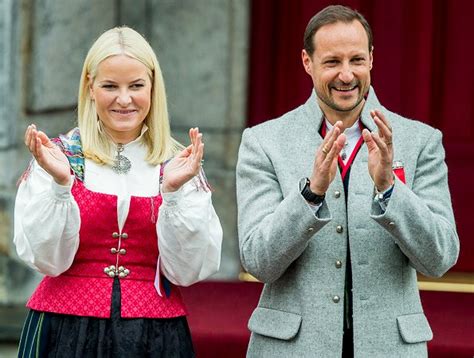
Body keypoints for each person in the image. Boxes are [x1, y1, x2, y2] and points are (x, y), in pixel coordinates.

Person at [236, 5, 459, 357]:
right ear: (307, 63)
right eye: (331, 62)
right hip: (291, 348)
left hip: (390, 347)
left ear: (371, 59)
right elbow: (258, 261)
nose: (346, 75)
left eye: (356, 59)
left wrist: (390, 190)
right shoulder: (264, 141)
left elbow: (440, 259)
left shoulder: (420, 140)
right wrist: (311, 194)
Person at [14, 26, 222, 358]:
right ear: (90, 87)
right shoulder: (59, 156)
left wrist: (173, 193)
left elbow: (189, 270)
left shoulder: (177, 165)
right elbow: (47, 261)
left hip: (153, 333)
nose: (124, 99)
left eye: (136, 86)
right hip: (64, 329)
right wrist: (60, 186)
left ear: (153, 88)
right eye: (110, 86)